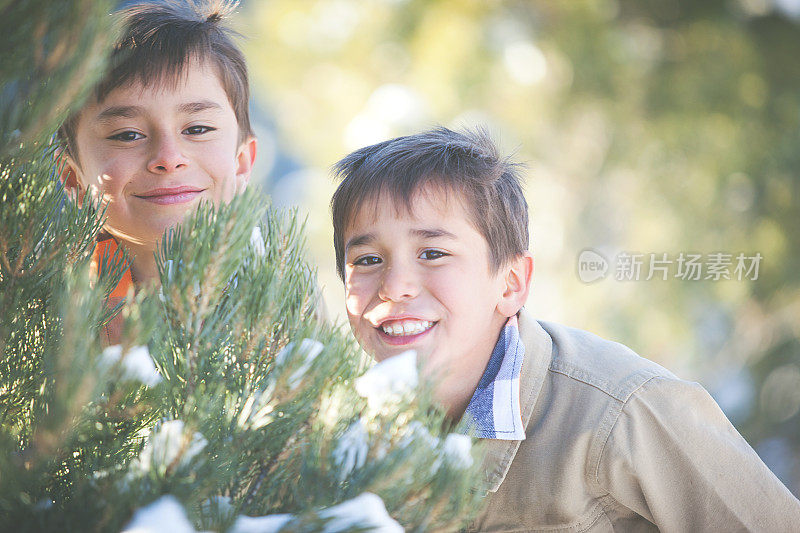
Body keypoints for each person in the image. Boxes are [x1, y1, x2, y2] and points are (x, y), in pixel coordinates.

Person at [330, 126, 800, 531]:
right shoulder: (336, 440)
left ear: (511, 283)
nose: (394, 287)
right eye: (368, 260)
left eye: (432, 253)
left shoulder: (625, 411)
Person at [57, 1, 257, 343]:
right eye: (128, 135)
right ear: (73, 180)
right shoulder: (52, 314)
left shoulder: (281, 297)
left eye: (197, 129)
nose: (168, 158)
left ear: (241, 162)